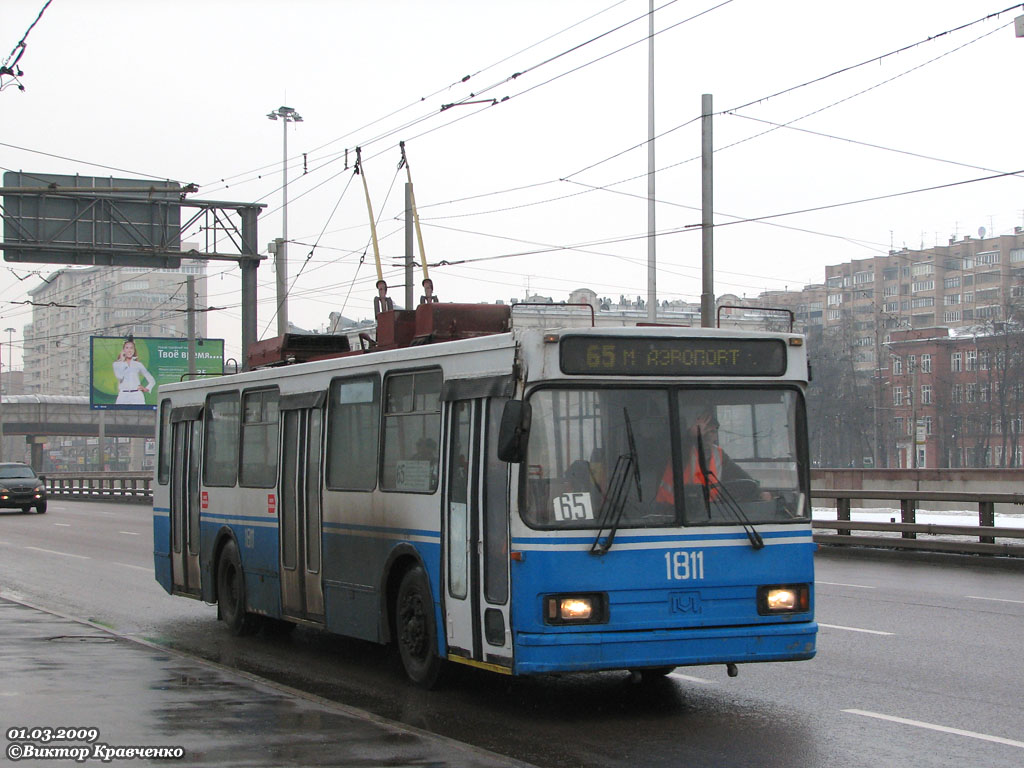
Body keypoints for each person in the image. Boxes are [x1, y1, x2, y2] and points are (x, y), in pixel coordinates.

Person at [656, 409, 768, 504]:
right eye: (705, 431)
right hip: (672, 511)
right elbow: (675, 450)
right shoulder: (682, 449)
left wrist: (759, 493)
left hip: (708, 511)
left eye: (713, 432)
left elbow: (740, 476)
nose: (709, 436)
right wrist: (690, 436)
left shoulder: (718, 454)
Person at [112, 339, 156, 405]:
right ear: (123, 350)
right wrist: (122, 361)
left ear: (134, 350)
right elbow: (120, 377)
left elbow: (151, 380)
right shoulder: (116, 364)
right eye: (127, 348)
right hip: (123, 396)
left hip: (137, 396)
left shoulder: (138, 364)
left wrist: (146, 388)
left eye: (131, 348)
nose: (129, 350)